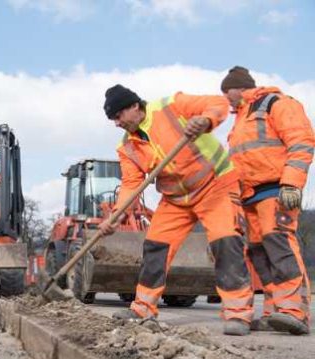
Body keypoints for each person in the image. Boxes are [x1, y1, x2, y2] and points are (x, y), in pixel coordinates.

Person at [100, 84, 254, 336]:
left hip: (215, 185)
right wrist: (116, 215)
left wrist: (205, 120)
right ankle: (143, 309)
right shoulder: (128, 146)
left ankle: (238, 314)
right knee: (155, 246)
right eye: (113, 119)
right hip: (176, 199)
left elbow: (217, 102)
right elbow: (131, 184)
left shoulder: (170, 106)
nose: (116, 123)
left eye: (118, 116)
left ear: (134, 106)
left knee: (225, 243)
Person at [221, 66, 313, 335]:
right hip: (250, 197)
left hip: (277, 190)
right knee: (260, 253)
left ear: (240, 88)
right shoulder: (241, 118)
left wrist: (292, 183)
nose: (225, 97)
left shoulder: (275, 104)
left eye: (227, 91)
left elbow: (302, 141)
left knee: (280, 245)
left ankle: (295, 311)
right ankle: (276, 310)